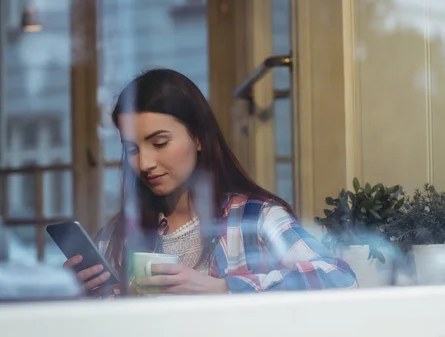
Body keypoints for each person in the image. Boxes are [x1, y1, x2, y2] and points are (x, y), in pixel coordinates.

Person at [64, 68, 357, 297]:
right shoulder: (120, 233)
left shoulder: (255, 218)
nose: (144, 163)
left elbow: (339, 279)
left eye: (160, 142)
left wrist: (222, 289)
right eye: (131, 149)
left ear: (199, 137)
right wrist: (76, 292)